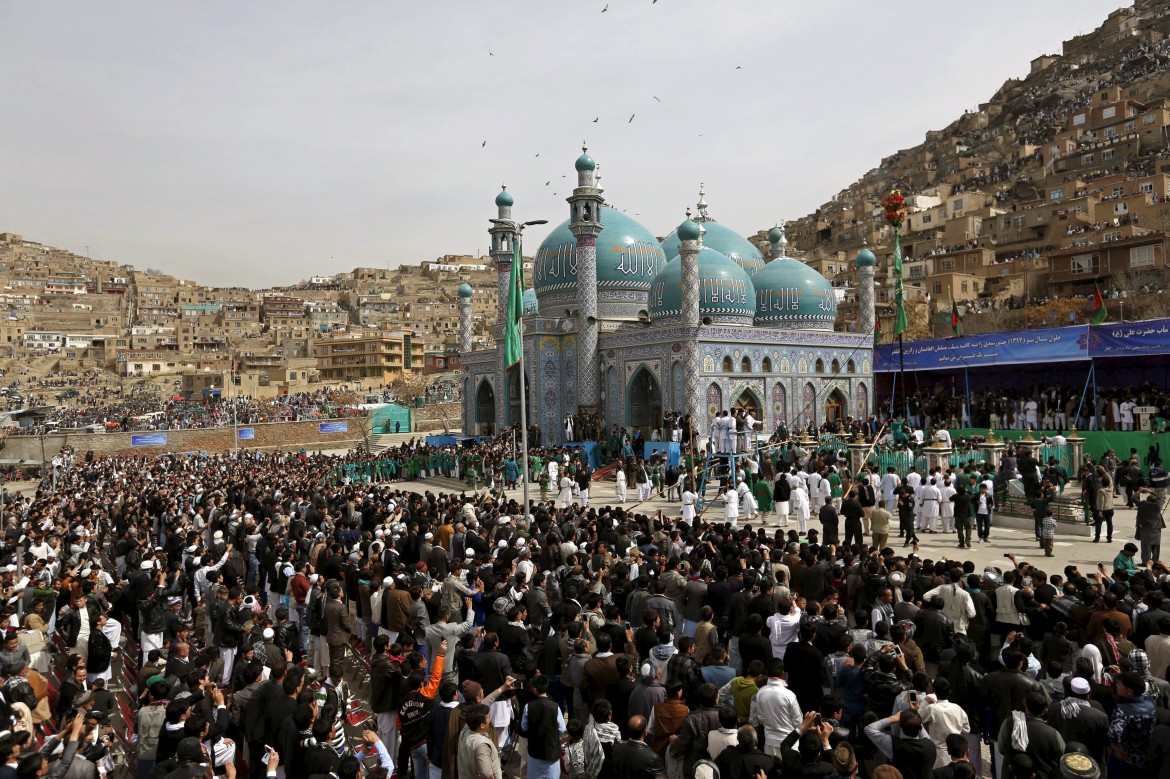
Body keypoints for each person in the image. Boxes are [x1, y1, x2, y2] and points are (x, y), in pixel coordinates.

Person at [1135, 489, 1165, 564]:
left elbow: (1133, 498)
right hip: (1156, 527)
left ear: (1147, 500)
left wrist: (1138, 491)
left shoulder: (1143, 504)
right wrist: (1149, 491)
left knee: (1146, 545)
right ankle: (1155, 561)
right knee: (1156, 545)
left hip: (1146, 527)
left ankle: (1146, 562)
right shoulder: (1158, 505)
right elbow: (1160, 498)